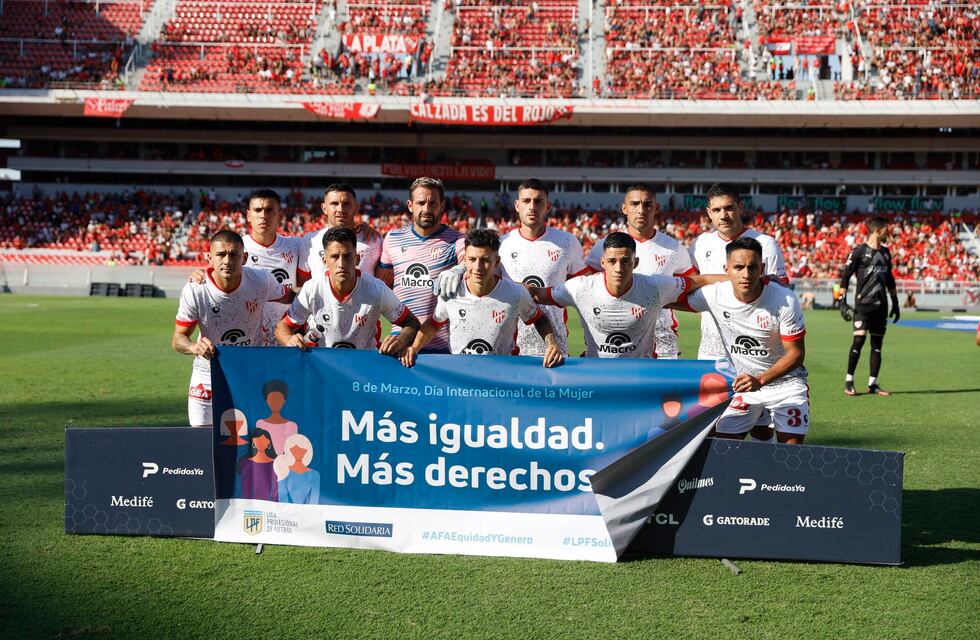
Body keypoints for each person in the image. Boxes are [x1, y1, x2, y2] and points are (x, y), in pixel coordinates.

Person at [679, 237, 809, 444]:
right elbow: (668, 298)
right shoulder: (714, 294)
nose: (746, 274)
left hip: (787, 385)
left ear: (762, 268)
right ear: (726, 269)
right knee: (720, 448)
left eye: (752, 267)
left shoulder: (784, 299)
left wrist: (761, 380)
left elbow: (796, 354)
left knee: (790, 455)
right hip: (745, 386)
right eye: (738, 267)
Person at [439, 179, 587, 356]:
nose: (532, 207)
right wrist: (459, 269)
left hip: (555, 348)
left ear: (548, 206)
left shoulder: (568, 242)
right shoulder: (502, 244)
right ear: (517, 205)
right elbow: (478, 268)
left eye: (538, 201)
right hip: (512, 351)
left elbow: (582, 291)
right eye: (526, 201)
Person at [690, 183, 789, 441]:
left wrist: (712, 280)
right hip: (712, 349)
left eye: (729, 208)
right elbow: (692, 289)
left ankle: (760, 474)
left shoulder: (764, 243)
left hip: (757, 352)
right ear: (708, 213)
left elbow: (777, 290)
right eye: (717, 209)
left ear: (740, 207)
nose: (724, 215)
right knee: (711, 422)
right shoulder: (701, 244)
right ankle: (715, 478)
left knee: (760, 422)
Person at [526, 233, 721, 359]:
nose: (619, 268)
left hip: (640, 377)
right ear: (602, 262)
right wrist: (497, 285)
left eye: (625, 261)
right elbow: (537, 294)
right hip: (596, 376)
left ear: (635, 262)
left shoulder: (655, 285)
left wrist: (740, 280)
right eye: (612, 261)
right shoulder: (580, 288)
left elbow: (699, 280)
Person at [173, 231, 292, 428]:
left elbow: (292, 297)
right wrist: (194, 347)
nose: (227, 260)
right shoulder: (195, 289)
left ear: (244, 258)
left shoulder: (262, 280)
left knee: (254, 440)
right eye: (220, 255)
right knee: (202, 438)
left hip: (251, 372)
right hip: (207, 374)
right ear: (209, 258)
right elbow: (178, 338)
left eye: (234, 254)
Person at [402, 229, 563, 367]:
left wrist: (552, 344)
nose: (478, 267)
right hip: (461, 376)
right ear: (465, 260)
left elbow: (539, 318)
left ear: (497, 262)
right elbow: (434, 324)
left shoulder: (515, 293)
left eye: (485, 260)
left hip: (501, 378)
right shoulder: (451, 293)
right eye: (472, 260)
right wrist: (414, 348)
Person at [585, 184, 695, 359]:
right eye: (635, 204)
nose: (641, 210)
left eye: (647, 204)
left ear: (656, 208)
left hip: (663, 347)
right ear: (624, 208)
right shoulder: (604, 246)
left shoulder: (674, 248)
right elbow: (586, 287)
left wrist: (661, 301)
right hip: (617, 345)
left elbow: (692, 288)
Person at [277, 227, 421, 354]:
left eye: (347, 256)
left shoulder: (377, 289)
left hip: (364, 367)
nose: (341, 264)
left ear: (357, 259)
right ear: (324, 261)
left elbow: (412, 323)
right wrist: (290, 340)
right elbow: (282, 327)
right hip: (323, 365)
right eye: (334, 257)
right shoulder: (312, 289)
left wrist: (401, 341)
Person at [377, 177, 464, 353]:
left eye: (432, 203)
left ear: (442, 205)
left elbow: (470, 265)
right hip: (401, 342)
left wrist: (459, 269)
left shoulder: (458, 240)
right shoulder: (392, 239)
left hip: (443, 347)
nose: (426, 209)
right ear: (410, 205)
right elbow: (380, 283)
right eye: (421, 203)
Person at [839, 216, 899, 396]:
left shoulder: (886, 253)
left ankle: (872, 383)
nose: (889, 233)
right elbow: (846, 275)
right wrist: (842, 301)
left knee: (877, 345)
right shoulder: (859, 251)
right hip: (863, 305)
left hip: (881, 306)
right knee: (858, 340)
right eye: (886, 230)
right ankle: (849, 380)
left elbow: (890, 279)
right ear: (877, 231)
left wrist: (895, 304)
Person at [302, 182, 384, 279]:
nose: (340, 209)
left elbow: (383, 282)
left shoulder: (374, 240)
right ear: (324, 208)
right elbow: (303, 283)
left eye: (346, 204)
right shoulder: (309, 241)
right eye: (334, 203)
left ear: (356, 207)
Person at [255, 379, 299, 456]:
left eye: (278, 399)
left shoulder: (292, 426)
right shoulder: (260, 424)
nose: (275, 402)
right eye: (271, 399)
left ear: (284, 401)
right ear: (267, 401)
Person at [274, 434, 321, 504]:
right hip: (287, 512)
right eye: (295, 449)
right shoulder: (283, 470)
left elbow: (314, 501)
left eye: (302, 449)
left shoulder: (315, 474)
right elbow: (282, 498)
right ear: (289, 450)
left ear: (306, 451)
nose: (298, 452)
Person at [238, 428, 279, 501]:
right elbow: (243, 488)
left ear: (269, 443)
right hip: (249, 506)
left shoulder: (276, 462)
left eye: (263, 440)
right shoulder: (244, 462)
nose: (260, 443)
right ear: (253, 443)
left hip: (272, 506)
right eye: (258, 441)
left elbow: (277, 488)